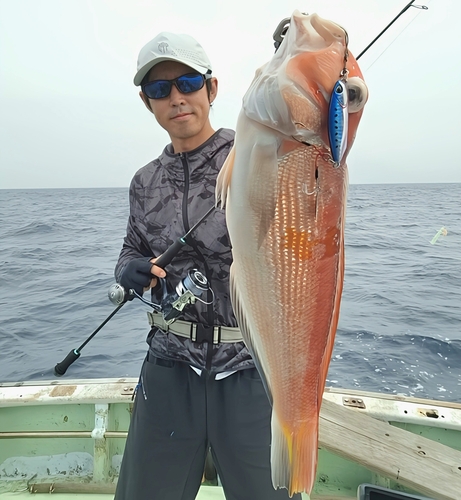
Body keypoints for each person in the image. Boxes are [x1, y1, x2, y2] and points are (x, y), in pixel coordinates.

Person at [113, 32, 301, 500]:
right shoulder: (144, 182)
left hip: (249, 368)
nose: (176, 98)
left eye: (187, 82)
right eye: (159, 90)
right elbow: (130, 248)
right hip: (168, 365)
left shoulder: (256, 156)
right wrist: (128, 270)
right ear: (146, 102)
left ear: (211, 89)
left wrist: (294, 54)